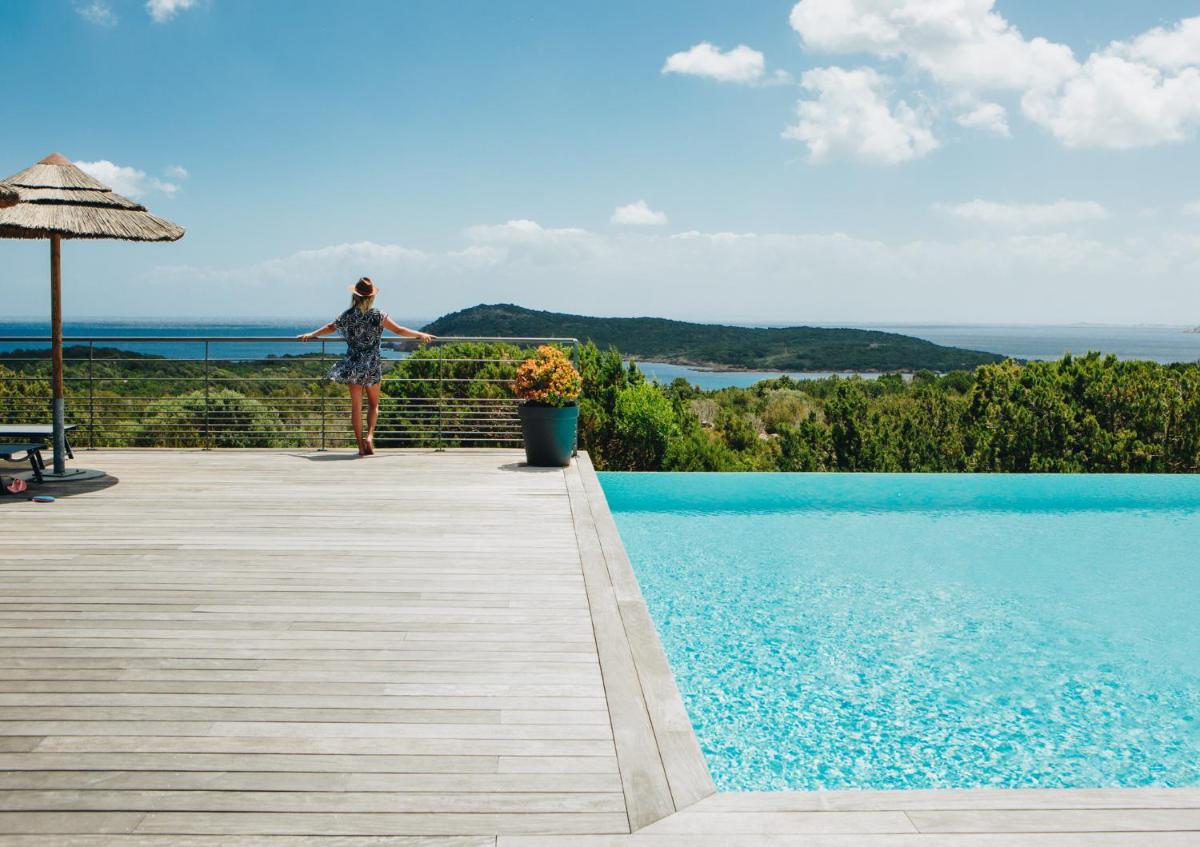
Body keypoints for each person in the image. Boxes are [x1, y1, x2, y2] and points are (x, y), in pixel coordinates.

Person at [298, 278, 433, 456]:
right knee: (373, 404)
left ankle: (360, 447)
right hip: (372, 365)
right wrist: (420, 334)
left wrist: (311, 334)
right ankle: (369, 436)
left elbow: (330, 327)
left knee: (356, 408)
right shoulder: (378, 315)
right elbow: (399, 330)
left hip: (353, 364)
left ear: (355, 295)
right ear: (371, 296)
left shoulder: (348, 315)